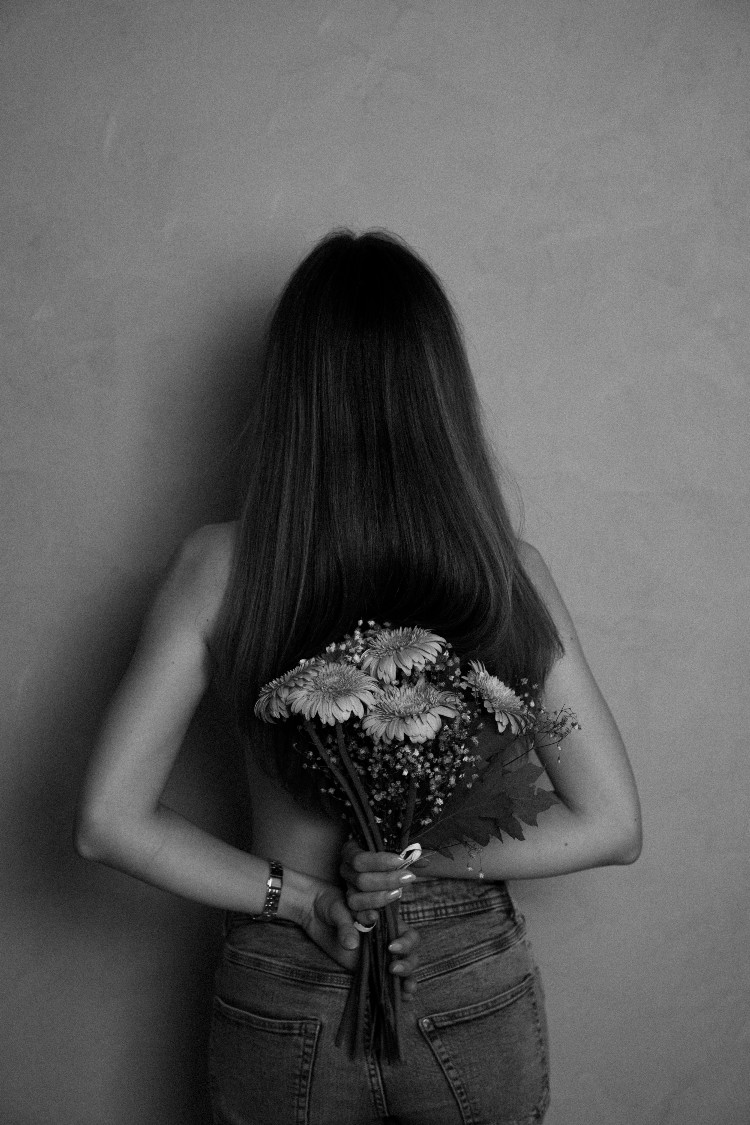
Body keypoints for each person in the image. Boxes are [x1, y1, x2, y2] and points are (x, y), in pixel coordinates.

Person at [75, 230, 642, 1125]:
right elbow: (613, 823)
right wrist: (432, 859)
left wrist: (300, 897)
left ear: (292, 391)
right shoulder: (507, 573)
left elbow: (107, 823)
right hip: (461, 974)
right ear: (439, 391)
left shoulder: (218, 568)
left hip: (289, 975)